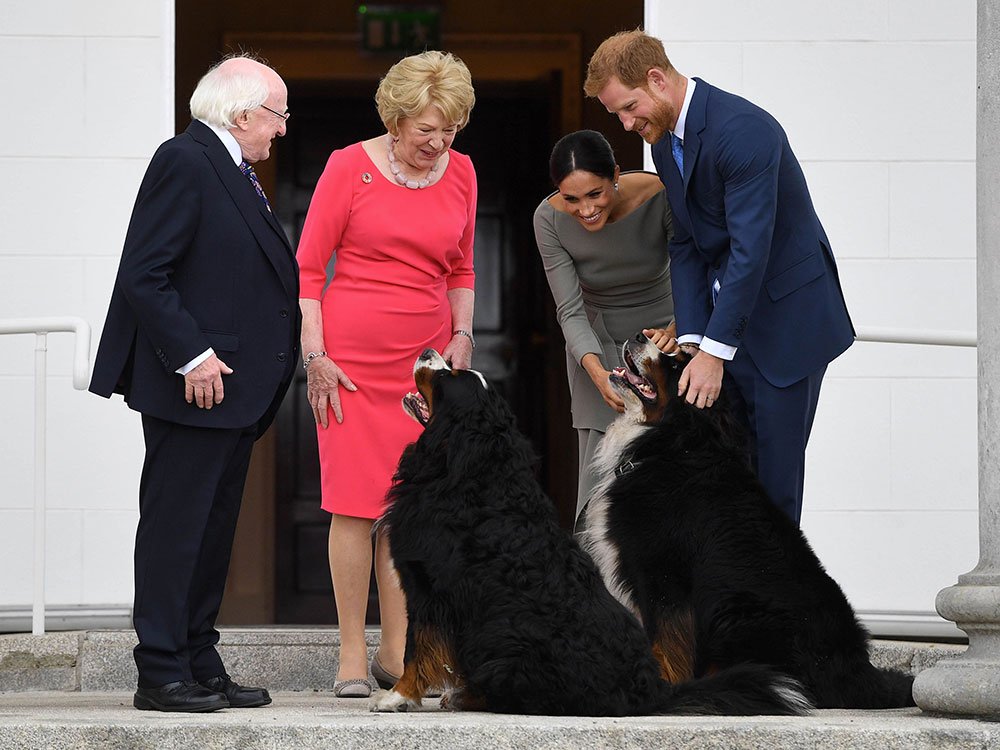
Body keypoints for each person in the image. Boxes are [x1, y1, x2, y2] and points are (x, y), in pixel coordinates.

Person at [89, 56, 299, 712]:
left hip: (235, 392)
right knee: (177, 528)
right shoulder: (185, 159)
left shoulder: (230, 168)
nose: (283, 130)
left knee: (211, 532)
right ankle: (160, 669)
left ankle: (198, 659)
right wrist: (193, 356)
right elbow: (144, 273)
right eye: (279, 115)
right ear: (242, 115)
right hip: (197, 385)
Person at [585, 30, 854, 525]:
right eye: (616, 115)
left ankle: (776, 603)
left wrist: (713, 351)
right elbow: (686, 245)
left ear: (657, 79)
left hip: (787, 327)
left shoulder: (745, 130)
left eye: (628, 107)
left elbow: (752, 250)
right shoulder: (665, 144)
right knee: (729, 483)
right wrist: (691, 340)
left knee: (773, 495)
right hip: (726, 330)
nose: (625, 125)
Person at [296, 50, 477, 698]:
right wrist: (316, 356)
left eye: (450, 130)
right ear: (396, 119)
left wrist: (462, 334)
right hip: (350, 367)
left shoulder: (462, 174)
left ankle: (397, 653)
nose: (439, 143)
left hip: (420, 373)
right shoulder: (349, 167)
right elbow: (309, 270)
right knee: (352, 507)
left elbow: (461, 268)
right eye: (427, 129)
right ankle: (351, 652)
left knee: (407, 510)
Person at [533, 130, 676, 527]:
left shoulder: (662, 194)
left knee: (670, 470)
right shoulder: (548, 220)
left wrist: (680, 330)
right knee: (601, 485)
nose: (586, 209)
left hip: (667, 341)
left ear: (615, 174)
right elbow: (570, 309)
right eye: (571, 198)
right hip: (597, 347)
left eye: (595, 194)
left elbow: (695, 273)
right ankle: (596, 585)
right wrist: (596, 373)